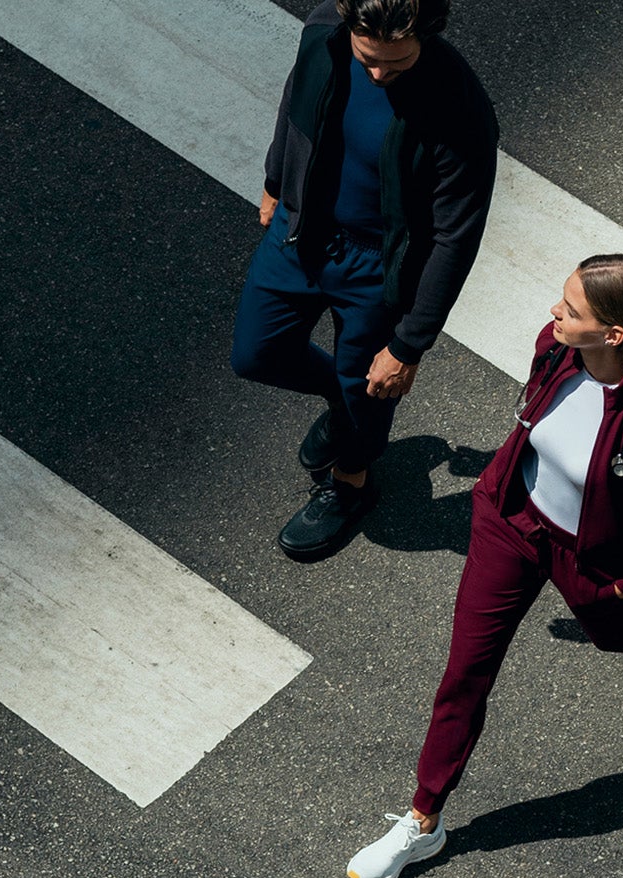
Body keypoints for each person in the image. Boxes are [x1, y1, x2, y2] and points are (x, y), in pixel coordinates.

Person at [345, 255, 623, 878]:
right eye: (562, 299)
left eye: (571, 309)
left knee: (615, 630)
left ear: (615, 335)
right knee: (466, 671)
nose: (554, 312)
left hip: (588, 556)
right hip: (508, 519)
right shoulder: (551, 352)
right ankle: (422, 822)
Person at [231, 0, 497, 559]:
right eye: (368, 59)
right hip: (300, 230)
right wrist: (277, 178)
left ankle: (351, 483)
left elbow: (455, 237)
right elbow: (297, 103)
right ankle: (341, 396)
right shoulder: (324, 32)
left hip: (380, 263)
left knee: (371, 388)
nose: (378, 75)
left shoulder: (461, 106)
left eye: (396, 66)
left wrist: (409, 344)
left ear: (426, 35)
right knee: (256, 354)